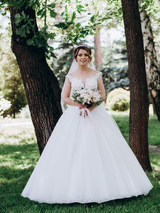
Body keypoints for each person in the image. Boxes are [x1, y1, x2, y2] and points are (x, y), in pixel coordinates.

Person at [21, 45, 153, 204]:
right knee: (74, 149)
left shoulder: (97, 75)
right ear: (75, 58)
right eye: (79, 55)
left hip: (96, 114)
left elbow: (102, 95)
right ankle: (71, 189)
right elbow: (65, 98)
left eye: (85, 55)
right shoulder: (70, 76)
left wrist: (91, 104)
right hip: (75, 115)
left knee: (101, 148)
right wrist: (80, 104)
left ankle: (111, 187)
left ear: (89, 57)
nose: (82, 57)